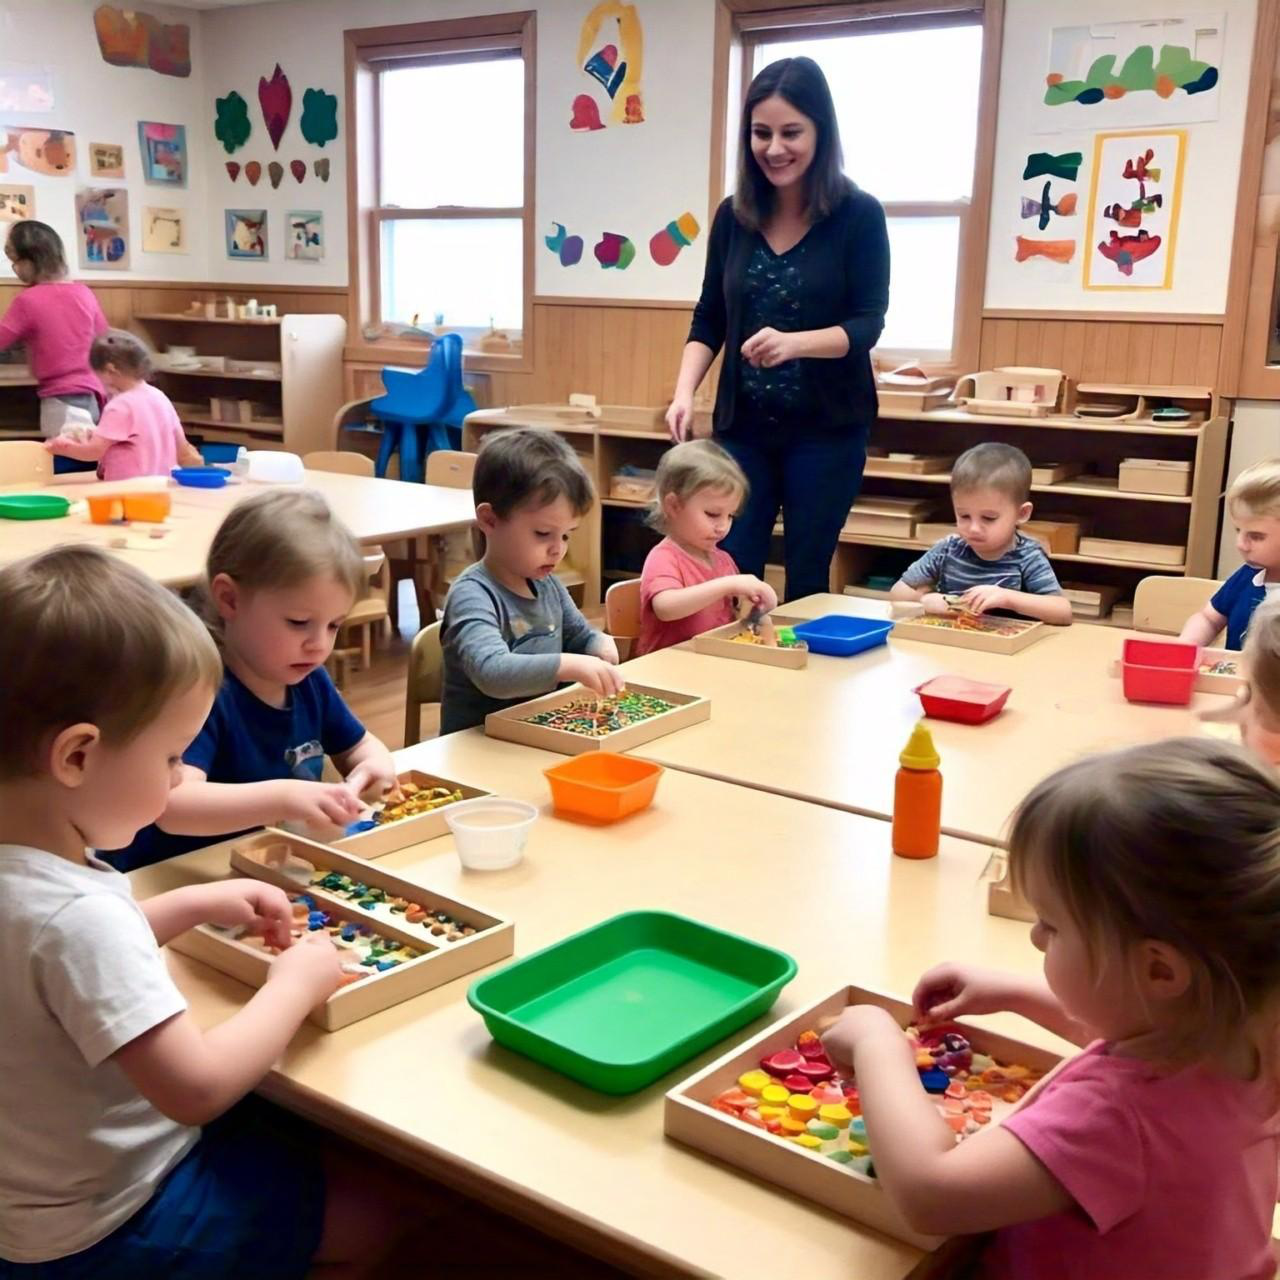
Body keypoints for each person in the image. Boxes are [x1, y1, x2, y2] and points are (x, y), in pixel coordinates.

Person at [0, 545, 410, 1276]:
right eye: (168, 761)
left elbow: (46, 968)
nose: (175, 782)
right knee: (373, 1211)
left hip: (29, 1205)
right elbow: (197, 1088)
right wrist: (297, 983)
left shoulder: (34, 872)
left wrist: (188, 903)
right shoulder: (74, 919)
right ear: (76, 757)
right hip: (116, 1228)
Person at [823, 738, 1280, 1277]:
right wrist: (1018, 995)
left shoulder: (1115, 1118)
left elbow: (932, 1193)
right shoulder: (1251, 1034)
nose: (1038, 938)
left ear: (1159, 970)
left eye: (1054, 924)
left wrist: (879, 1044)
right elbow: (1151, 1040)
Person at [665, 56, 889, 602]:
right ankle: (740, 675)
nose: (774, 148)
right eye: (761, 133)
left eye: (791, 132)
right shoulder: (733, 216)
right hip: (745, 429)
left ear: (820, 132)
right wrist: (683, 393)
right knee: (733, 568)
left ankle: (799, 682)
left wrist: (796, 344)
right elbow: (709, 315)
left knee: (808, 572)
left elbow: (867, 323)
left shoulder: (858, 214)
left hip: (828, 432)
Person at [108, 489, 397, 871]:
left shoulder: (308, 680)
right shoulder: (199, 690)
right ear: (229, 599)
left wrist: (372, 766)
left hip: (254, 867)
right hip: (172, 879)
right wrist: (283, 798)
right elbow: (172, 805)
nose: (319, 644)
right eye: (298, 623)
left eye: (334, 625)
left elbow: (359, 745)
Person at [441, 427, 621, 733]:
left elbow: (579, 636)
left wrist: (598, 644)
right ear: (489, 520)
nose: (558, 549)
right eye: (542, 534)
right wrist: (570, 665)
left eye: (566, 535)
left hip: (534, 735)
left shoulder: (547, 585)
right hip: (479, 749)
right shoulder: (473, 594)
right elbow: (491, 672)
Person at [889, 443, 1073, 624]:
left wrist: (1008, 598)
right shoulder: (948, 549)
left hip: (1003, 649)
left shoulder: (1027, 556)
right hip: (950, 640)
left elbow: (1062, 612)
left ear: (1021, 514)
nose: (974, 528)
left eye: (988, 518)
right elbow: (897, 593)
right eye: (964, 516)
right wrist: (924, 600)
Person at [636, 439, 776, 656]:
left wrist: (756, 607)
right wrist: (728, 585)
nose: (723, 526)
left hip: (712, 664)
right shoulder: (664, 557)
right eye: (712, 514)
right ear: (673, 505)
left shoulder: (723, 560)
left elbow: (736, 615)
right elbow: (665, 607)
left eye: (730, 515)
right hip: (667, 672)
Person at [45, 329, 201, 478]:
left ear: (110, 370)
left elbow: (94, 451)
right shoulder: (159, 397)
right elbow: (183, 450)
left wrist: (59, 446)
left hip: (128, 489)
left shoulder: (120, 405)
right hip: (162, 488)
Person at [0, 220, 107, 437]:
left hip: (62, 399)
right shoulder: (84, 293)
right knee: (90, 461)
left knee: (63, 462)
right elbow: (106, 338)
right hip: (95, 394)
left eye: (16, 262)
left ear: (31, 261)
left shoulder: (28, 300)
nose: (15, 269)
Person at [1181, 458, 1280, 649]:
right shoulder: (1247, 576)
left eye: (1256, 536)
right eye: (1238, 531)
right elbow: (1209, 619)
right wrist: (1185, 648)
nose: (1241, 544)